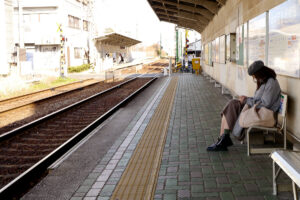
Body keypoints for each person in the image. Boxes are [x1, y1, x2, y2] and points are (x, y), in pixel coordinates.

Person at [207, 60, 281, 151]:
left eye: (254, 76)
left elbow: (265, 104)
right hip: (258, 110)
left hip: (265, 114)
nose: (254, 78)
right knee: (233, 104)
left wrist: (246, 100)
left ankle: (224, 139)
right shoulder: (265, 82)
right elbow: (258, 100)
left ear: (260, 73)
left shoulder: (271, 83)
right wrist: (246, 99)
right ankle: (223, 138)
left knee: (232, 105)